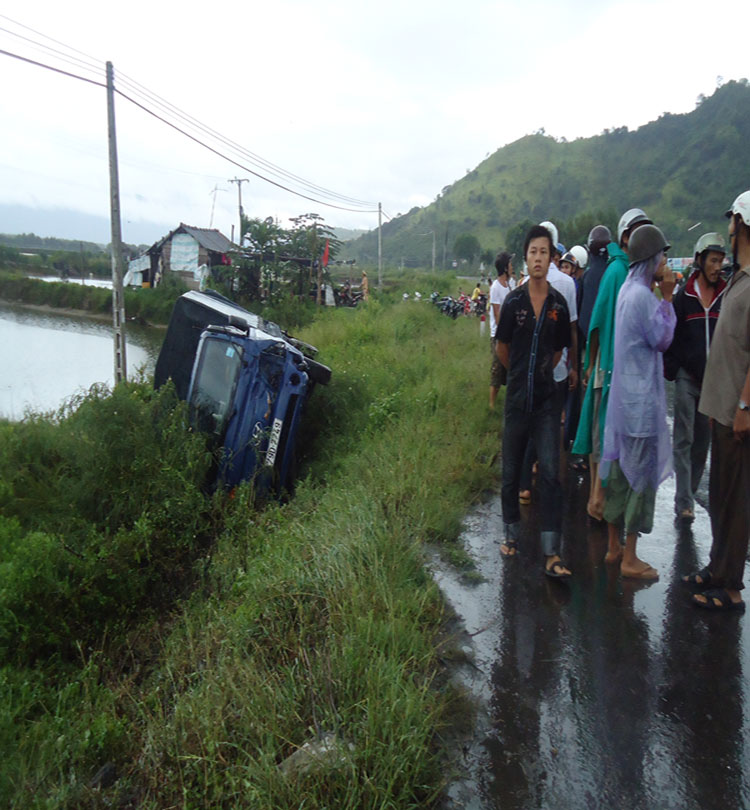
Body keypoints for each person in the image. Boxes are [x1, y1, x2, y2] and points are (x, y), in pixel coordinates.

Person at [495, 225, 572, 578]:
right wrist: (518, 377)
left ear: (550, 257)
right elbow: (503, 348)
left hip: (545, 402)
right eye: (533, 252)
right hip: (516, 402)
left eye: (544, 252)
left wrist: (538, 375)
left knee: (552, 473)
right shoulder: (513, 302)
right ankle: (511, 534)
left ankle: (551, 552)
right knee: (511, 472)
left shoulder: (559, 304)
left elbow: (558, 351)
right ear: (525, 257)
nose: (538, 258)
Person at [600, 224, 676, 579]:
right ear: (651, 259)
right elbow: (662, 339)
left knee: (618, 473)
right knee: (638, 480)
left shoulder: (627, 291)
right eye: (662, 256)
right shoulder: (646, 297)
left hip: (623, 401)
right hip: (641, 404)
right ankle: (630, 557)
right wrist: (669, 297)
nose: (665, 262)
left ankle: (613, 547)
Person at [686, 192, 750, 611]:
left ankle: (730, 586)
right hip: (723, 406)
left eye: (732, 223)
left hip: (738, 411)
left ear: (743, 224)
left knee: (737, 498)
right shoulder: (739, 277)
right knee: (723, 494)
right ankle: (717, 566)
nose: (727, 230)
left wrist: (744, 406)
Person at [573, 209, 652, 521]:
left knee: (603, 436)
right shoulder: (618, 271)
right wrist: (592, 363)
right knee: (602, 437)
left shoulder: (628, 271)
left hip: (615, 370)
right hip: (609, 370)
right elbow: (596, 321)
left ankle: (598, 498)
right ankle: (597, 498)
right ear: (624, 238)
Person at [664, 232, 727, 523]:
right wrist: (674, 368)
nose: (718, 266)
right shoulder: (684, 297)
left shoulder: (725, 296)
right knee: (683, 439)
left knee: (703, 442)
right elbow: (672, 335)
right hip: (687, 379)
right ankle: (684, 503)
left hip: (712, 383)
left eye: (720, 260)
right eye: (713, 260)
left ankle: (688, 491)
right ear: (700, 261)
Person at [489, 251, 514, 409]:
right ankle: (491, 405)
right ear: (505, 268)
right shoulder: (496, 288)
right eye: (510, 264)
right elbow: (497, 315)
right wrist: (506, 334)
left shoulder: (510, 285)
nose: (512, 267)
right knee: (497, 369)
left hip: (510, 335)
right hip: (498, 336)